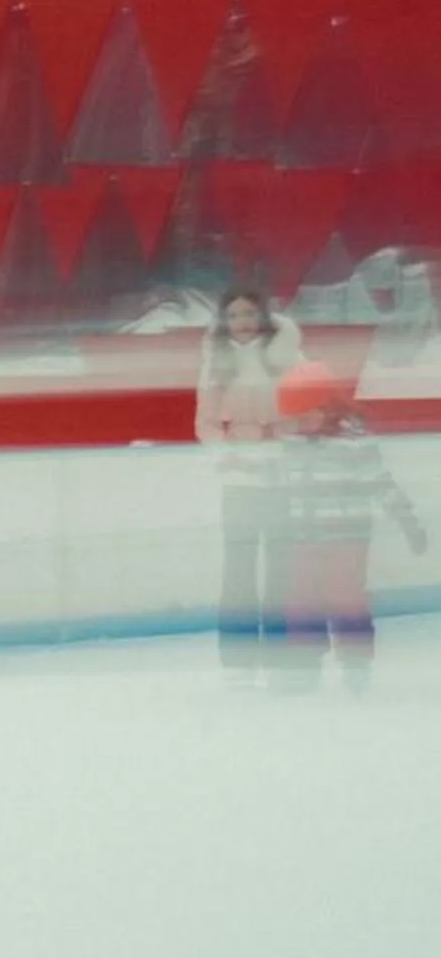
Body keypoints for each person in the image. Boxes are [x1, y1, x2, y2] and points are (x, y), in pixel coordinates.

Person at [270, 362, 426, 694]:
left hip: (347, 535)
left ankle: (356, 663)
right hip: (302, 534)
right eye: (293, 418)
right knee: (300, 599)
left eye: (305, 416)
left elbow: (379, 481)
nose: (299, 424)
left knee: (346, 599)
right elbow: (280, 484)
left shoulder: (354, 440)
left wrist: (406, 519)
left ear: (327, 407)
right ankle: (305, 663)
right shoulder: (291, 439)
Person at [195, 287, 304, 676]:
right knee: (239, 568)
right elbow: (206, 423)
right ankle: (238, 661)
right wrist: (228, 453)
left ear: (263, 318)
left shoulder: (287, 358)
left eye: (249, 314)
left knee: (281, 568)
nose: (243, 322)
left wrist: (287, 434)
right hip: (240, 478)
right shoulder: (217, 362)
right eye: (236, 315)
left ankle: (279, 656)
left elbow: (310, 410)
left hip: (282, 474)